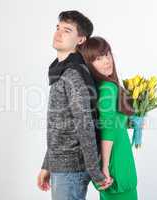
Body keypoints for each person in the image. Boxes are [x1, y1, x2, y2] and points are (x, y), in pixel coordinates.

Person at [36, 11, 113, 200]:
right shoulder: (60, 71)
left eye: (67, 30)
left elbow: (85, 125)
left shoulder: (73, 74)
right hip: (62, 167)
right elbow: (60, 126)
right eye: (58, 28)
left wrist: (95, 172)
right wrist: (48, 164)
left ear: (80, 39)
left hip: (72, 170)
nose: (59, 33)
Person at [78, 36, 138, 200]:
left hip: (115, 162)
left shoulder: (101, 87)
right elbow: (108, 129)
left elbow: (114, 124)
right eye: (98, 58)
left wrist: (134, 120)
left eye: (107, 54)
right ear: (89, 64)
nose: (106, 61)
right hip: (116, 164)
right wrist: (105, 167)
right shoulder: (108, 88)